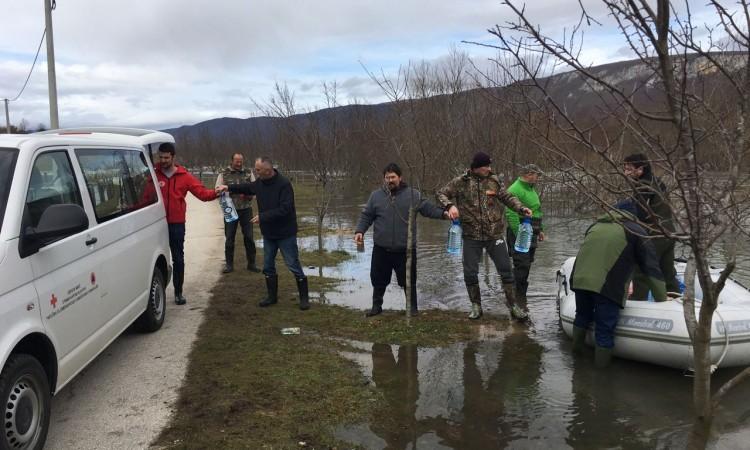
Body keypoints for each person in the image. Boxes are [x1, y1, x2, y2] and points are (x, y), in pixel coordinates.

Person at [570, 200, 667, 368]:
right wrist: (662, 298)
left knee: (582, 316)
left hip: (580, 280)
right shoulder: (635, 230)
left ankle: (575, 363)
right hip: (606, 286)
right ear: (633, 216)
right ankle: (601, 379)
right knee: (604, 329)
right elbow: (650, 266)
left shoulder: (595, 226)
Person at [437, 151, 532, 320]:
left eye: (489, 166)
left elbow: (507, 197)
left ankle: (513, 306)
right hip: (471, 235)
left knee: (506, 270)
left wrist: (521, 208)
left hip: (494, 234)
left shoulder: (494, 181)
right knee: (470, 272)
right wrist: (449, 206)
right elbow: (440, 194)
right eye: (486, 166)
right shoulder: (461, 182)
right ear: (476, 167)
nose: (489, 168)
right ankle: (476, 306)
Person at [354, 163, 448, 317]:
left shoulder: (413, 195)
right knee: (378, 280)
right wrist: (359, 231)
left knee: (408, 281)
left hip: (406, 249)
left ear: (400, 177)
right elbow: (366, 215)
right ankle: (376, 307)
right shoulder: (376, 196)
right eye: (387, 177)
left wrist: (445, 214)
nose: (390, 180)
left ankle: (412, 309)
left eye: (393, 177)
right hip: (381, 248)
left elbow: (428, 209)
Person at [216, 157, 309, 310]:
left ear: (267, 170)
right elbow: (247, 187)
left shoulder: (284, 184)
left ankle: (304, 299)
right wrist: (227, 187)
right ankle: (271, 297)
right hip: (269, 234)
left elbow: (285, 209)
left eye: (258, 170)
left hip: (286, 233)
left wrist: (263, 217)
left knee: (292, 264)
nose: (255, 172)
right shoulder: (260, 183)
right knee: (268, 266)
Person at [154, 142, 218, 305]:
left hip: (176, 224)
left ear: (173, 157)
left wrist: (217, 192)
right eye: (160, 157)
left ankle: (178, 292)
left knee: (178, 259)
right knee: (152, 259)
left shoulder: (184, 176)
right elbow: (144, 197)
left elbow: (202, 194)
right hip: (155, 224)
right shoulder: (153, 174)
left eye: (166, 157)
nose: (163, 160)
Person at [623, 153, 679, 298]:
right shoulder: (657, 181)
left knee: (641, 269)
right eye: (625, 168)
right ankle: (675, 298)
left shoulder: (643, 185)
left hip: (654, 233)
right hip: (669, 232)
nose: (625, 172)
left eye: (629, 168)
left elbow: (639, 214)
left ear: (641, 169)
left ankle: (637, 301)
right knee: (667, 270)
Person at [505, 163, 545, 311]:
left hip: (532, 232)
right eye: (536, 175)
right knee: (521, 266)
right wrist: (519, 235)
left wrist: (540, 230)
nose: (538, 178)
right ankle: (515, 300)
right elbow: (510, 213)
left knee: (527, 266)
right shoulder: (515, 189)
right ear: (529, 174)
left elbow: (537, 211)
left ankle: (521, 300)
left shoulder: (531, 189)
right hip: (520, 234)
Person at [215, 153, 259, 273]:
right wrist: (228, 195)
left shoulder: (248, 173)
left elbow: (255, 189)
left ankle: (252, 264)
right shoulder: (223, 173)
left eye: (241, 161)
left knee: (249, 237)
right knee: (229, 237)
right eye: (236, 161)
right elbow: (217, 190)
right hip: (230, 209)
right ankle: (229, 265)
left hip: (246, 209)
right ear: (232, 161)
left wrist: (248, 195)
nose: (239, 164)